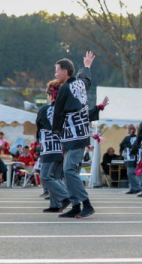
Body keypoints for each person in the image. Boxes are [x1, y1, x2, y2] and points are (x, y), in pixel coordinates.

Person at [52, 51, 101, 219]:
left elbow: (58, 113)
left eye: (57, 70)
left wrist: (55, 133)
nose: (55, 74)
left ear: (65, 71)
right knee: (69, 171)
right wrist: (87, 66)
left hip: (74, 136)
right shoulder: (80, 84)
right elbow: (86, 79)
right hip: (79, 134)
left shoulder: (65, 89)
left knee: (69, 170)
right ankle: (75, 205)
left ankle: (86, 204)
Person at [36, 80, 70, 212]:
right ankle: (55, 205)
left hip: (49, 147)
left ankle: (65, 196)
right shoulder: (65, 110)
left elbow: (39, 127)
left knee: (45, 177)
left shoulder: (45, 110)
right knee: (55, 177)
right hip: (62, 147)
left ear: (50, 95)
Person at [119, 124, 142, 195]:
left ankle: (136, 187)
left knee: (130, 173)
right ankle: (132, 188)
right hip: (136, 157)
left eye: (127, 129)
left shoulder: (127, 138)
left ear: (131, 130)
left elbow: (121, 145)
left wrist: (123, 150)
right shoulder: (137, 138)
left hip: (130, 158)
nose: (126, 130)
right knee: (131, 173)